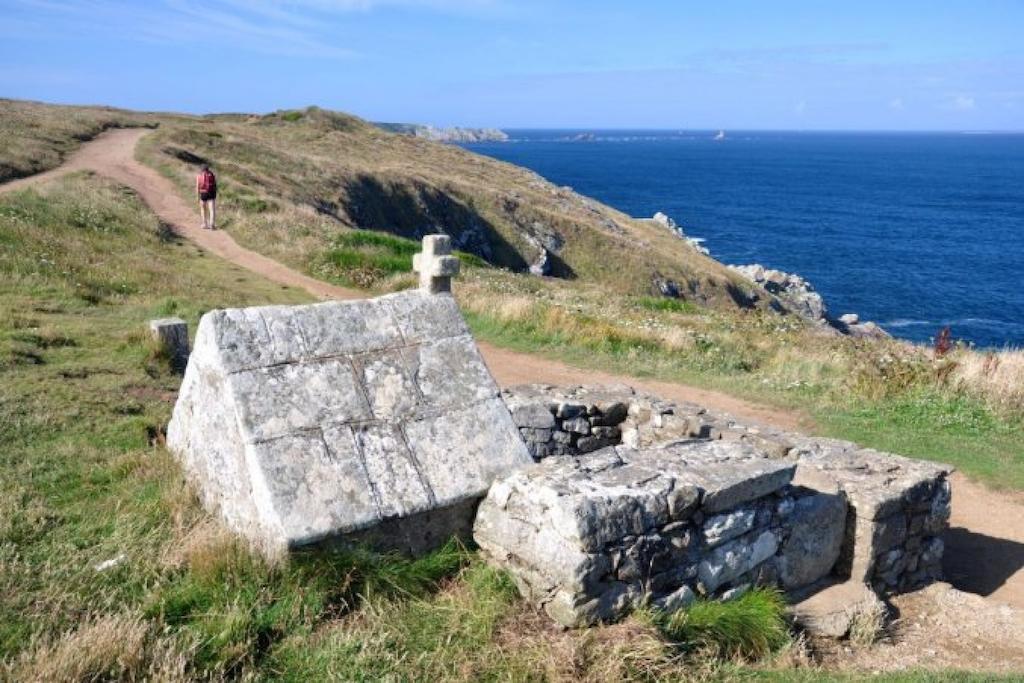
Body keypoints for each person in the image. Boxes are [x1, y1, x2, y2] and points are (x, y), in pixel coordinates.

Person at [196, 164, 217, 229]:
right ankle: (212, 224)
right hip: (211, 193)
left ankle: (204, 224)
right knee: (212, 209)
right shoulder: (212, 175)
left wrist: (197, 196)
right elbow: (215, 185)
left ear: (201, 169)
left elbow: (197, 187)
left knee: (203, 209)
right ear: (208, 169)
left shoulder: (199, 176)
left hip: (203, 193)